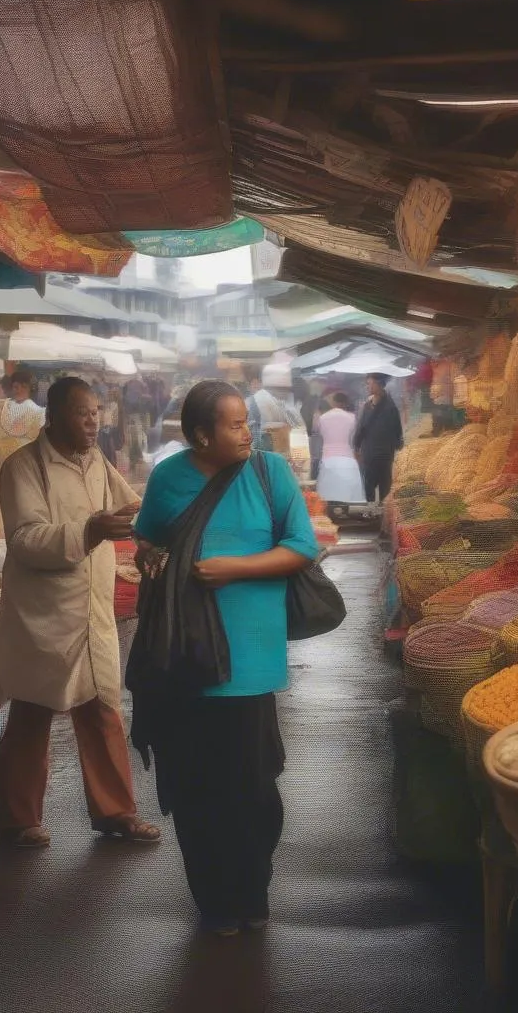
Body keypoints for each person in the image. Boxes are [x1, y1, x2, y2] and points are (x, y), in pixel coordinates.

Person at [130, 379, 319, 936]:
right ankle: (214, 902)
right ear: (200, 435)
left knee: (252, 786)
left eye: (246, 422)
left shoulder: (270, 473)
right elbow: (148, 541)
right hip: (182, 659)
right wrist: (151, 560)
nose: (247, 432)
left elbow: (303, 546)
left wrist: (234, 568)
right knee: (194, 786)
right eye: (234, 425)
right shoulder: (168, 477)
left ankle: (251, 890)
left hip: (249, 663)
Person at [0, 376, 161, 849]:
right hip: (44, 614)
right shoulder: (23, 467)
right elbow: (24, 540)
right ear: (55, 414)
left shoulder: (96, 462)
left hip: (93, 609)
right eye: (83, 411)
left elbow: (129, 507)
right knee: (33, 710)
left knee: (102, 707)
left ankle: (117, 813)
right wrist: (91, 530)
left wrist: (152, 528)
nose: (93, 420)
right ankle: (17, 820)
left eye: (97, 411)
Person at [353, 372, 403, 503]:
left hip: (380, 454)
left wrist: (356, 446)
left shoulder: (388, 406)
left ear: (378, 384)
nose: (367, 387)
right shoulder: (371, 405)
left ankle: (381, 517)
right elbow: (361, 427)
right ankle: (373, 515)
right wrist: (356, 446)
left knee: (382, 489)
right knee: (372, 487)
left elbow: (397, 430)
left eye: (369, 383)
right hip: (375, 453)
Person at [0, 368, 45, 485]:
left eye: (23, 387)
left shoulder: (38, 412)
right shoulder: (3, 407)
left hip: (22, 461)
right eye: (16, 387)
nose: (19, 390)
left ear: (31, 388)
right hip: (0, 459)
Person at [316, 393, 365, 504]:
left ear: (333, 402)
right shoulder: (352, 418)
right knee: (350, 498)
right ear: (346, 403)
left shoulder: (323, 418)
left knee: (327, 498)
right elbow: (354, 440)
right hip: (348, 459)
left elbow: (319, 435)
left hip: (328, 460)